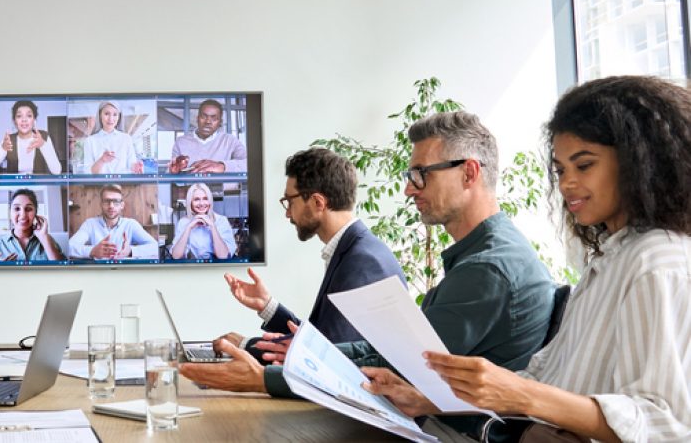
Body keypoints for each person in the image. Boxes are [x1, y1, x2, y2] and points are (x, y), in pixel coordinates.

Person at [181, 112, 554, 439]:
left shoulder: (487, 268)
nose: (409, 189)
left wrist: (266, 376)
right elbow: (390, 352)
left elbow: (401, 367)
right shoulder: (479, 257)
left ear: (469, 172)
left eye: (420, 175)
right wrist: (292, 353)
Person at [364, 76, 691, 442]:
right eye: (560, 170)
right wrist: (429, 400)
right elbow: (543, 379)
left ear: (638, 163)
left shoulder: (657, 262)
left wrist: (521, 394)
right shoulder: (610, 258)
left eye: (583, 166)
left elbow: (665, 423)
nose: (567, 184)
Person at [215, 147, 406, 363]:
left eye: (290, 201)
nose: (288, 213)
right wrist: (267, 306)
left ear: (318, 203)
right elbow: (321, 340)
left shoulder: (362, 261)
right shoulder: (354, 249)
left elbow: (327, 357)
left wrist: (244, 346)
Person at [67, 184, 159, 259]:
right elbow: (69, 247)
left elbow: (155, 247)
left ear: (122, 205)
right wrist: (92, 251)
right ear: (101, 204)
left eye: (116, 201)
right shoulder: (90, 224)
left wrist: (131, 251)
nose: (111, 206)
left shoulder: (131, 224)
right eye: (107, 201)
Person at [168, 99, 248, 173]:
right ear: (197, 118)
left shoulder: (230, 141)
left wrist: (222, 166)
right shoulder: (181, 142)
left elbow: (249, 163)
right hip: (189, 188)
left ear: (220, 122)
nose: (208, 122)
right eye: (204, 116)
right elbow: (171, 171)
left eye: (214, 118)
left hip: (220, 188)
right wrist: (173, 171)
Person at [0, 188, 66, 261]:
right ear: (10, 213)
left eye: (28, 209)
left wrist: (44, 237)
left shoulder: (47, 239)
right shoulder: (0, 244)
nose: (23, 215)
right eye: (17, 209)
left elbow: (63, 270)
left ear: (36, 212)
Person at [0, 100, 61, 175]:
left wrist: (42, 145)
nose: (24, 120)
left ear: (34, 120)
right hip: (14, 188)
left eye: (29, 115)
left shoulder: (44, 136)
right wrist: (3, 149)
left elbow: (57, 171)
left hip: (40, 188)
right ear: (14, 121)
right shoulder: (9, 140)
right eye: (19, 116)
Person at [169, 183, 237, 259]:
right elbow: (176, 256)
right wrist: (188, 228)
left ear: (210, 201)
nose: (201, 203)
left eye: (205, 198)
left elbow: (223, 256)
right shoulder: (183, 222)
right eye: (196, 199)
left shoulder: (221, 220)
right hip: (193, 267)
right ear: (190, 203)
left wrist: (212, 226)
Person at [79, 101, 142, 174]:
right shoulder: (90, 141)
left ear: (119, 117)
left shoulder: (126, 138)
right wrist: (102, 160)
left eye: (115, 114)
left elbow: (131, 165)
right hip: (99, 185)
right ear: (100, 115)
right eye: (106, 114)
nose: (111, 118)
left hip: (124, 184)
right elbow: (88, 172)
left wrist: (136, 167)